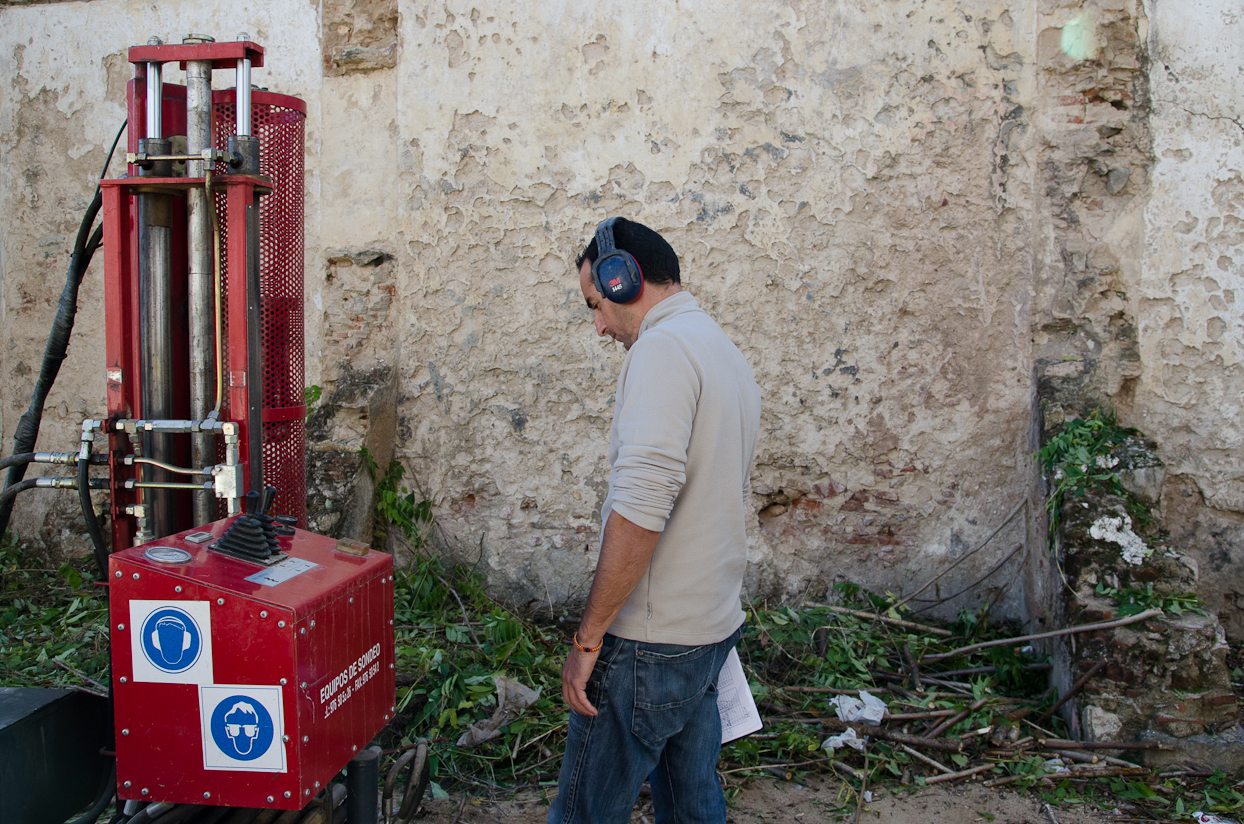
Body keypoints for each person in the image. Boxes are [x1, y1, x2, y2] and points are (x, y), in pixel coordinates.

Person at [549, 217, 762, 823]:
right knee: (691, 806)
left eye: (596, 304)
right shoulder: (719, 347)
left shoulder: (662, 353)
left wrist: (587, 642)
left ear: (623, 280)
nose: (598, 326)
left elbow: (641, 511)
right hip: (710, 633)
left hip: (649, 645)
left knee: (584, 812)